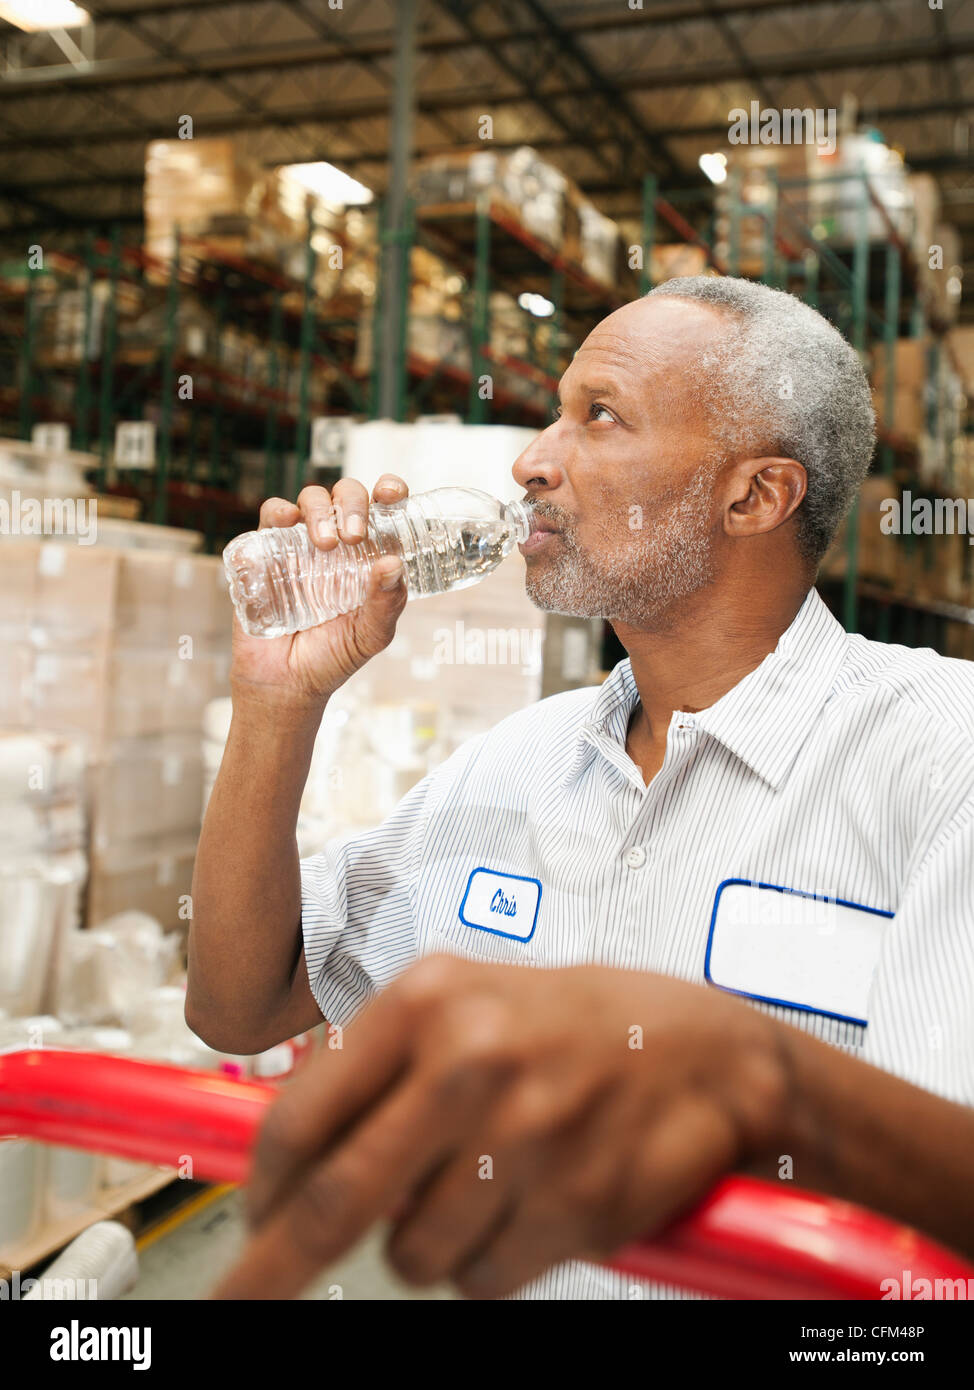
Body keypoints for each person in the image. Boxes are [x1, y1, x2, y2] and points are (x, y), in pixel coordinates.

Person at [189, 276, 974, 1300]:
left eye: (596, 416)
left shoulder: (940, 754)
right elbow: (238, 1004)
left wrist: (761, 1077)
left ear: (755, 494)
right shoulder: (520, 758)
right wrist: (276, 701)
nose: (529, 460)